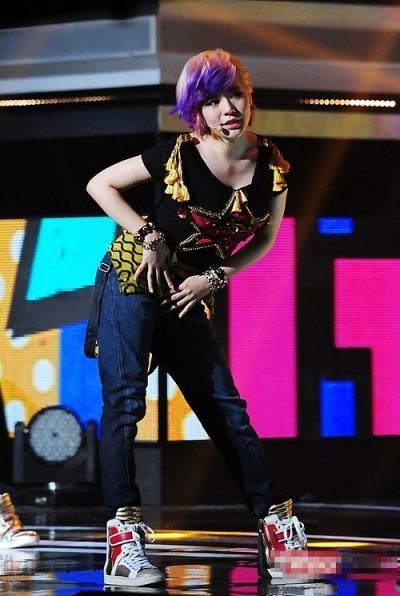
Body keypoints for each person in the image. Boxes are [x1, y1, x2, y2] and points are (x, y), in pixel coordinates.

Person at [85, 48, 307, 588]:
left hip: (188, 294)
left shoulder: (271, 165)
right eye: (211, 101)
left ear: (248, 97)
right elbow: (100, 184)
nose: (227, 109)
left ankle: (278, 529)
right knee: (125, 405)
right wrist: (149, 235)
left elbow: (266, 239)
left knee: (226, 409)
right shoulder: (176, 155)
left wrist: (216, 277)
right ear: (196, 110)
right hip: (133, 279)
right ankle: (123, 543)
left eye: (234, 95)